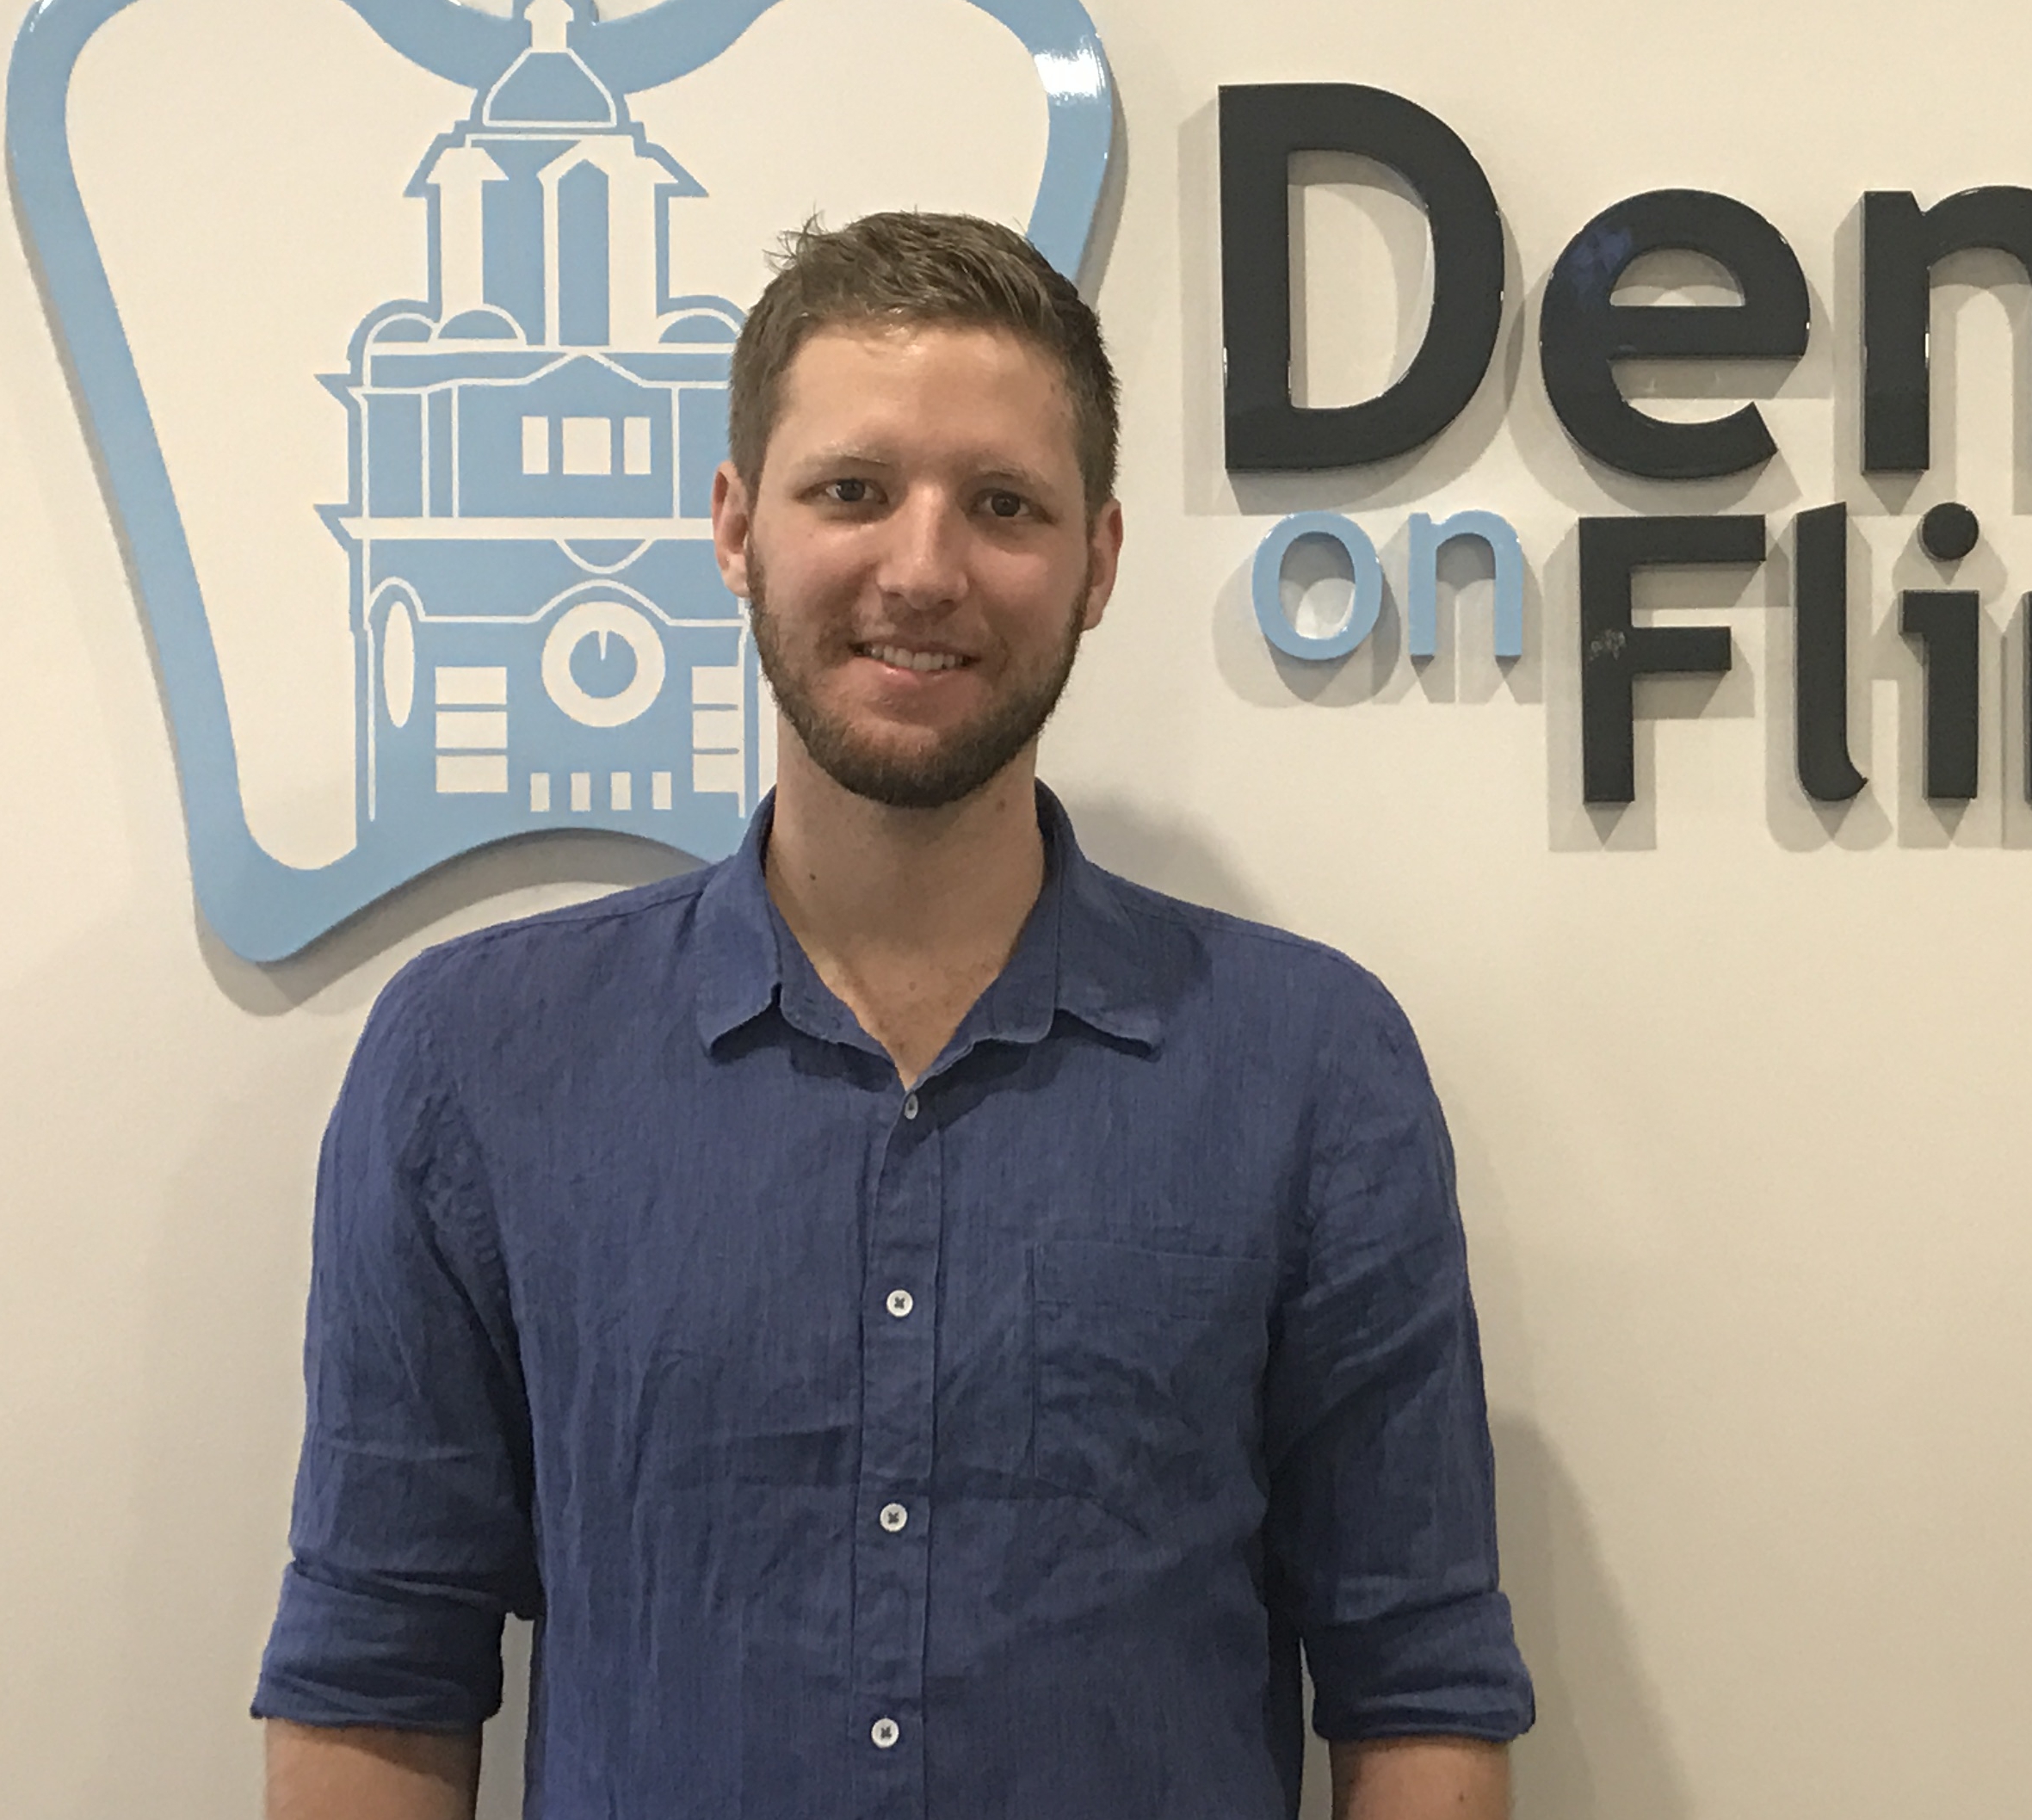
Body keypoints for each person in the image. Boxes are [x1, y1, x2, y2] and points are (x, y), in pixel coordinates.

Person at [255, 211, 1533, 1820]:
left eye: (1002, 505)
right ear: (737, 527)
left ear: (1097, 563)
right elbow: (379, 1668)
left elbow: (1414, 1679)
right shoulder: (475, 1059)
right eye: (852, 491)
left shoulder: (1310, 1068)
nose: (922, 571)